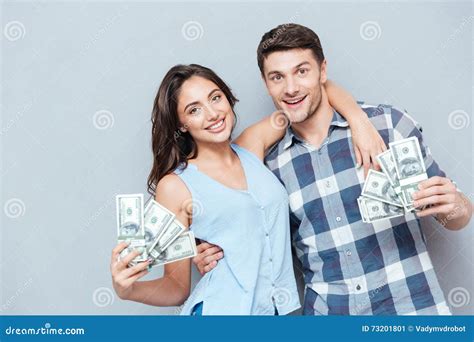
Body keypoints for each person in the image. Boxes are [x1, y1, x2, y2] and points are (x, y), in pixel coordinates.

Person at [194, 23, 473, 315]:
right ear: (266, 84)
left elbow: (457, 218)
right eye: (277, 77)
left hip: (413, 310)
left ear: (322, 71)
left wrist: (455, 206)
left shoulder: (388, 126)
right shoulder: (268, 169)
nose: (290, 88)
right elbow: (256, 244)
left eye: (302, 71)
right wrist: (213, 255)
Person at [110, 62, 386, 315]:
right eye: (194, 110)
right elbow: (176, 288)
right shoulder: (176, 186)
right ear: (182, 124)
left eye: (215, 98)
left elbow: (313, 96)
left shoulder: (252, 146)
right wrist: (128, 290)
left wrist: (359, 122)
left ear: (227, 99)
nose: (212, 114)